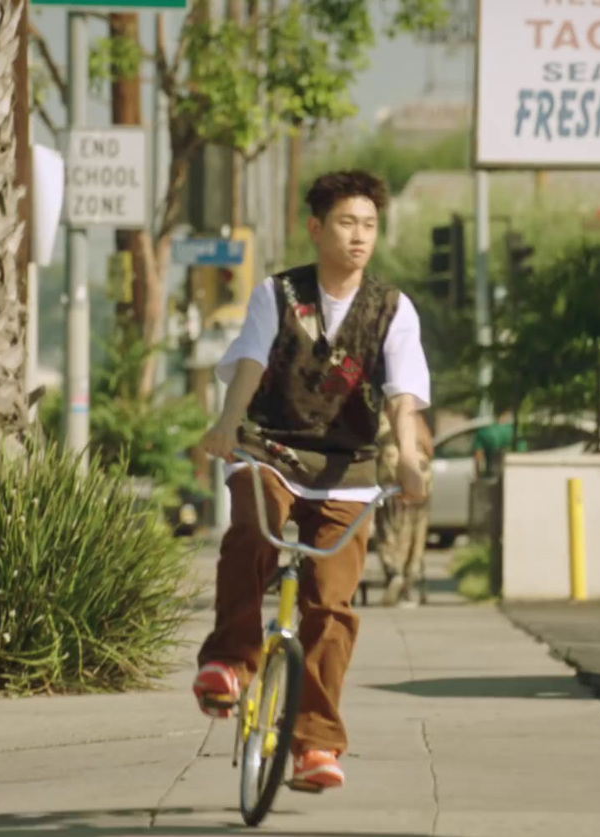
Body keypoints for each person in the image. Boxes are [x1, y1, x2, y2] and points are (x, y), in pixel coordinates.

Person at [192, 169, 430, 794]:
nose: (360, 237)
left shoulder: (392, 308)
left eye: (370, 226)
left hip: (345, 469)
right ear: (317, 227)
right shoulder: (278, 293)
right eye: (347, 223)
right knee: (250, 533)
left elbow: (404, 394)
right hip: (268, 449)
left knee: (332, 605)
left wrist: (406, 458)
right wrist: (225, 425)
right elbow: (249, 360)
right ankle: (228, 660)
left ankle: (316, 747)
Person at [374, 409, 433, 607]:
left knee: (388, 530)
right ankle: (408, 581)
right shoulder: (415, 417)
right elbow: (429, 447)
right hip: (420, 481)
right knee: (415, 535)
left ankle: (394, 573)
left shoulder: (380, 419)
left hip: (390, 481)